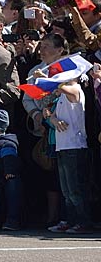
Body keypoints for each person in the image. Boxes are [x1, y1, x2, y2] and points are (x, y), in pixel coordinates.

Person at [46, 79, 94, 234]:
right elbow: (51, 116)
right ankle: (69, 220)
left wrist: (47, 79)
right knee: (66, 190)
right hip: (62, 145)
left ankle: (83, 222)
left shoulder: (76, 89)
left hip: (75, 145)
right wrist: (54, 119)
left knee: (75, 188)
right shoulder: (61, 95)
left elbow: (65, 89)